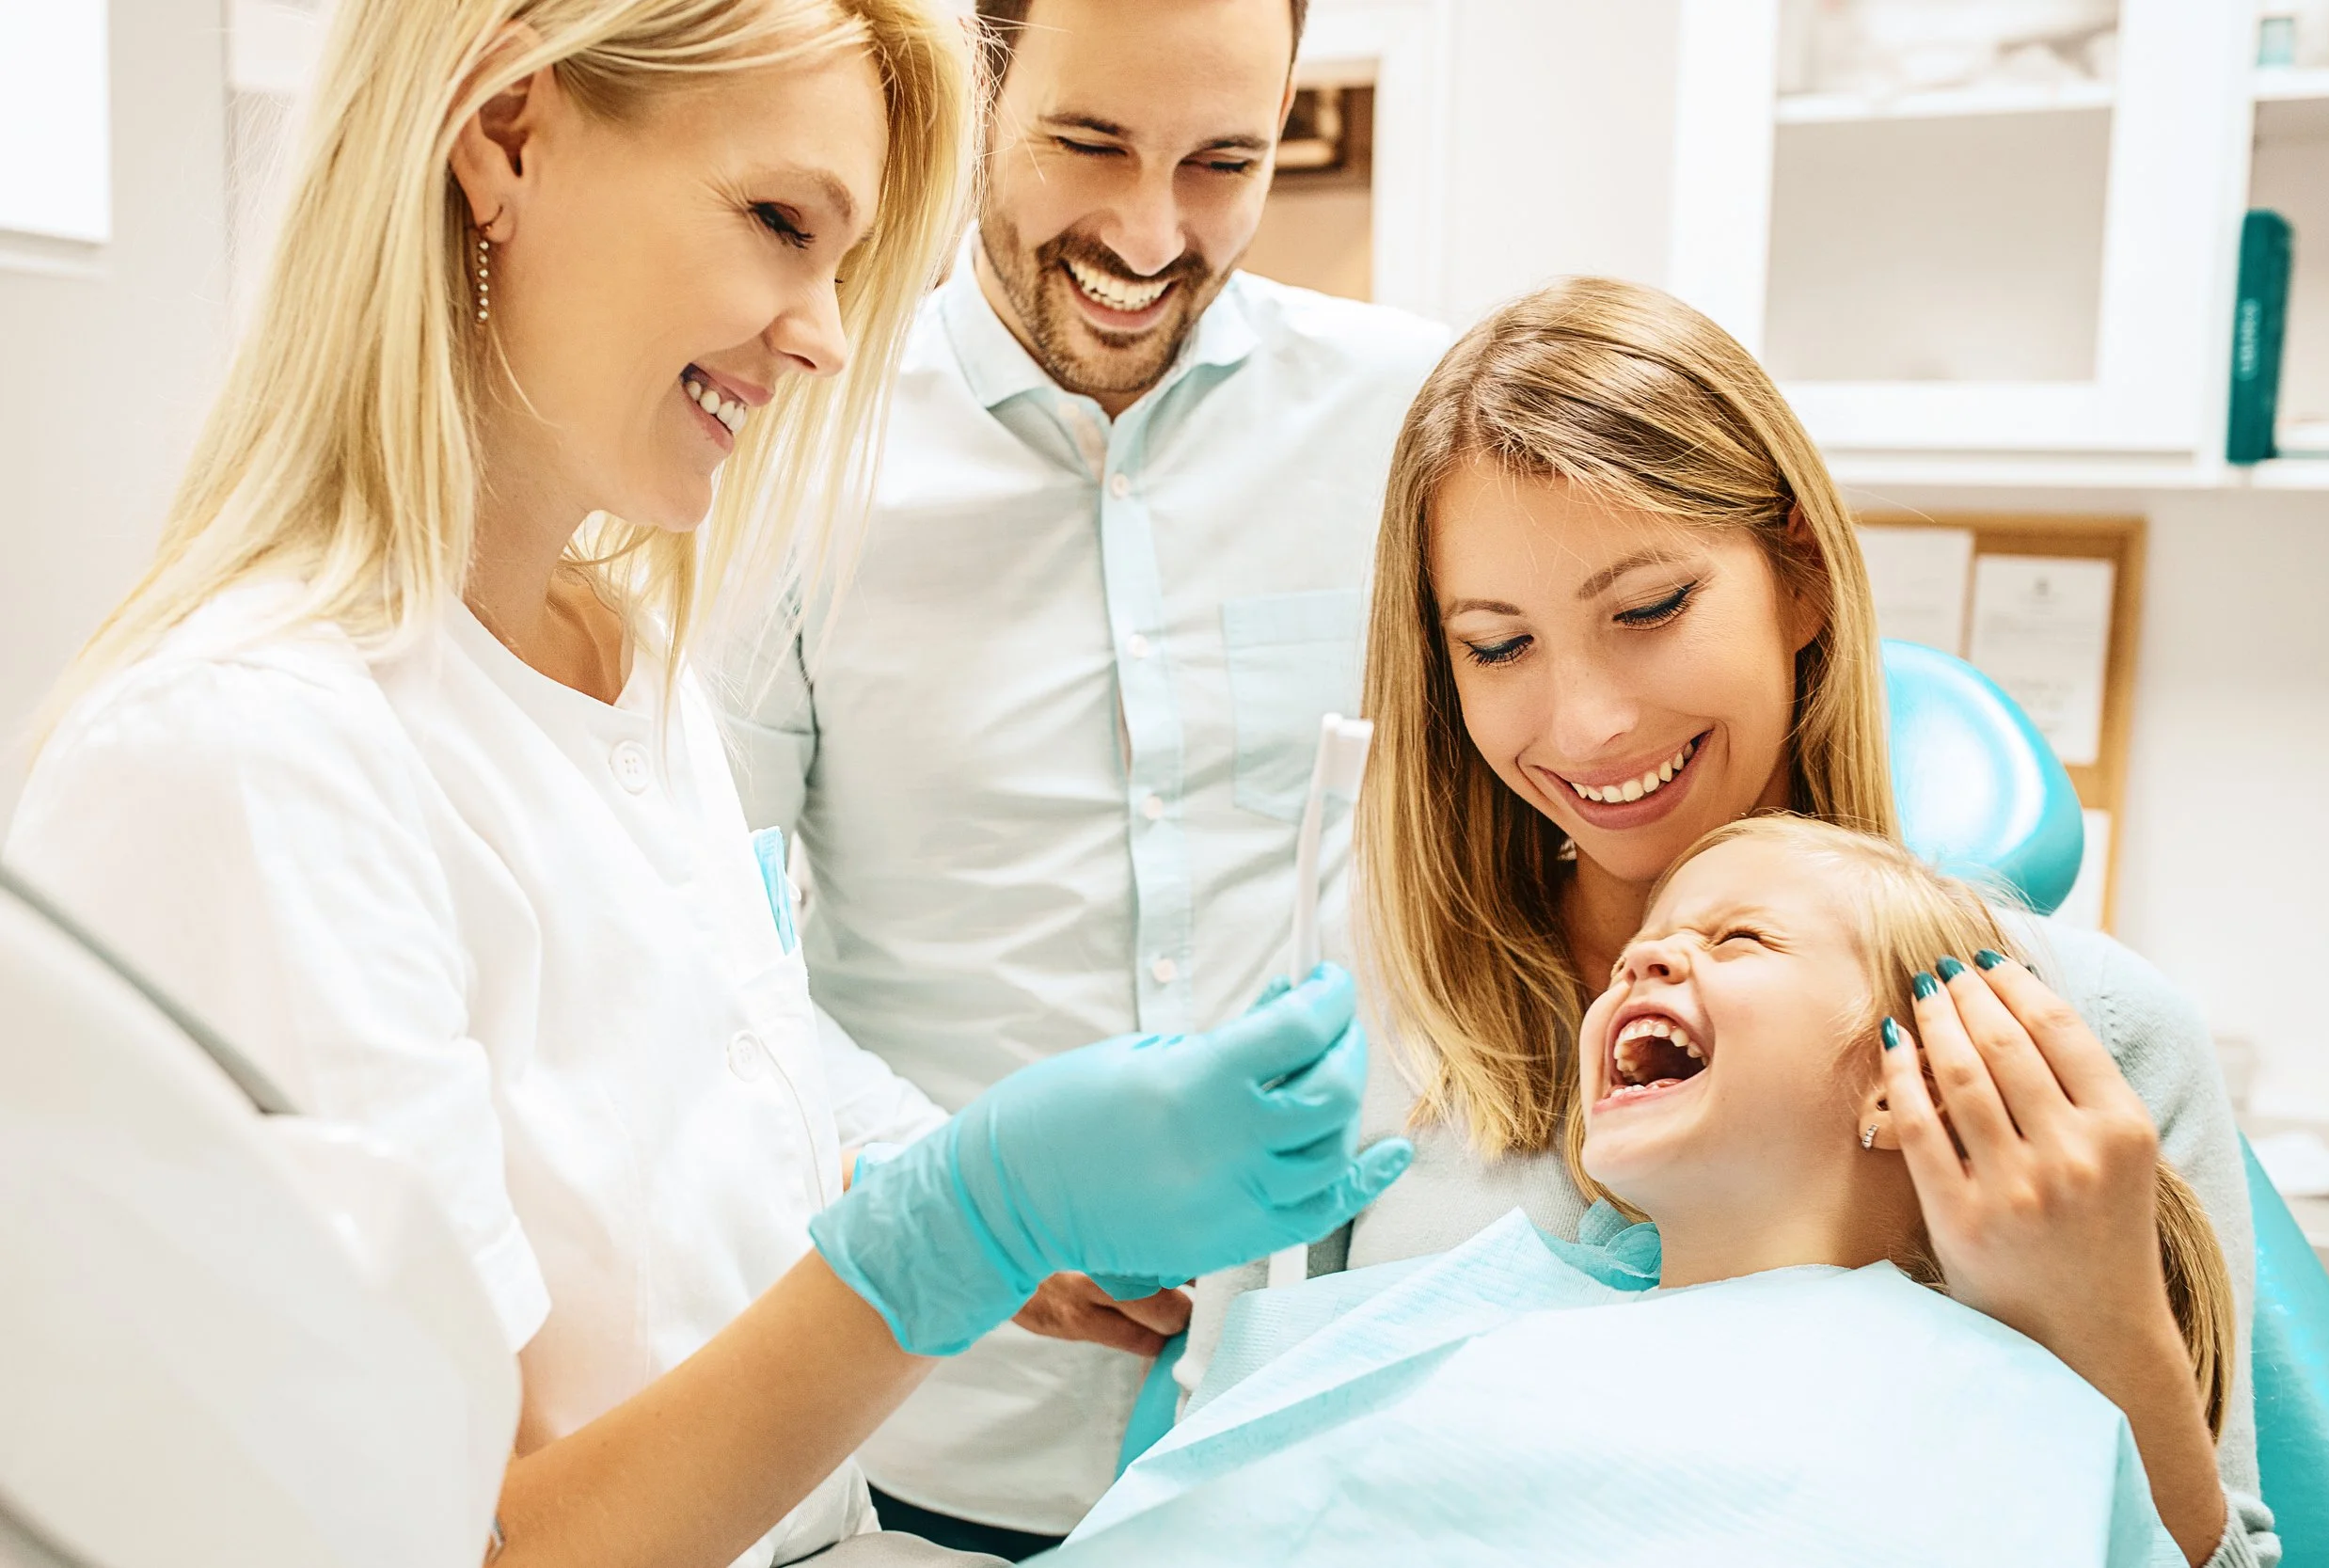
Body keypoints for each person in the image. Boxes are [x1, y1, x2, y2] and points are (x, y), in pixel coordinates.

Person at [0, 5, 1409, 1566]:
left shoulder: (616, 650)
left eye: (842, 260)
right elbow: (470, 1539)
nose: (823, 332)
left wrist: (994, 1197)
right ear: (509, 136)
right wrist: (960, 1228)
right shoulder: (247, 761)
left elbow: (705, 1096)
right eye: (778, 224)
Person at [1339, 277, 2277, 1566]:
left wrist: (2103, 1321)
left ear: (1798, 575)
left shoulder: (2079, 1035)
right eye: (1500, 645)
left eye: (1649, 608)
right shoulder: (1362, 1018)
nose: (1591, 721)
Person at [721, 0, 1451, 1549]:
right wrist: (976, 1201)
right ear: (984, 87)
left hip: (1330, 1428)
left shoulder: (1413, 424)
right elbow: (708, 957)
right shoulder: (794, 442)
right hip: (946, 1435)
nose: (1147, 227)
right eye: (1090, 142)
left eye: (1222, 162)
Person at [1053, 817, 2236, 1566]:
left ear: (1913, 1074)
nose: (1644, 958)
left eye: (1740, 940)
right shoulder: (1482, 1313)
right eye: (1644, 949)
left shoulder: (2019, 1400)